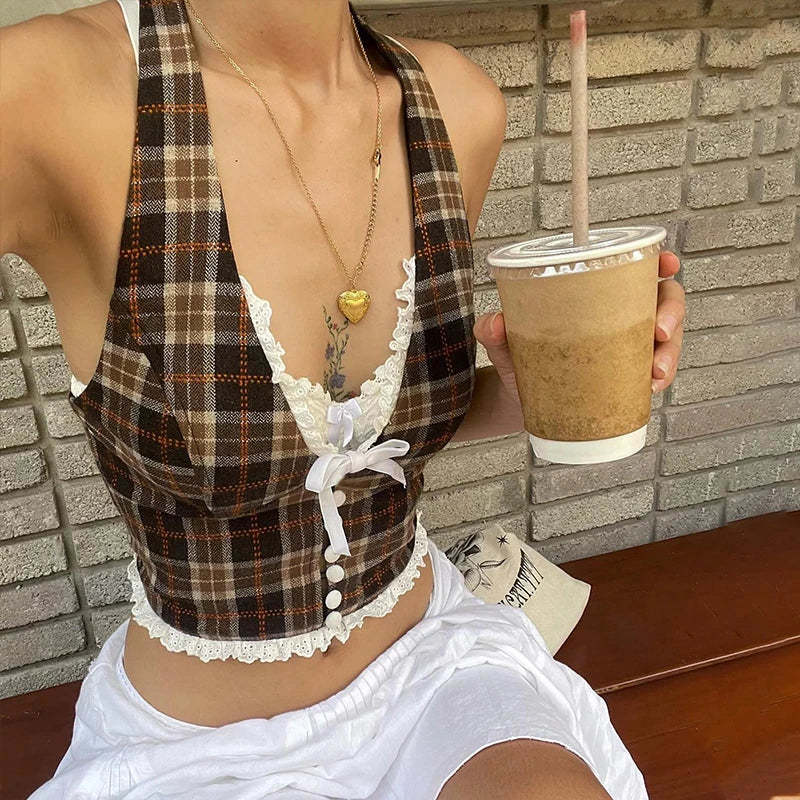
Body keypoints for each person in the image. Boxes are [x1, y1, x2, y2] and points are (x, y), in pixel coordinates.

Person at [0, 1, 686, 798]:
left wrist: (552, 385)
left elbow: (373, 435)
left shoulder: (455, 105)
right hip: (200, 744)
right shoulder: (49, 93)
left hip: (435, 667)